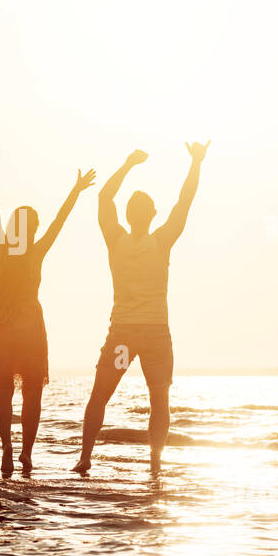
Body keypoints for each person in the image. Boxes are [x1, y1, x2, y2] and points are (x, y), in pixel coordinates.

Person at [73, 141, 210, 474]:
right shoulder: (161, 241)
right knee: (158, 399)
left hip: (124, 335)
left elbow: (105, 199)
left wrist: (127, 164)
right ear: (151, 216)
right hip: (153, 335)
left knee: (100, 395)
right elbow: (184, 202)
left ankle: (85, 458)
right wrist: (195, 163)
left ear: (130, 215)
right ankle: (154, 463)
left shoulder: (116, 239)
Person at [0, 145, 95, 475]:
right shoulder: (36, 250)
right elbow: (59, 220)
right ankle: (26, 452)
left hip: (2, 326)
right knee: (31, 393)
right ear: (30, 228)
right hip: (29, 327)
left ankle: (6, 449)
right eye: (36, 223)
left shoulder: (2, 248)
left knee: (2, 390)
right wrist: (75, 190)